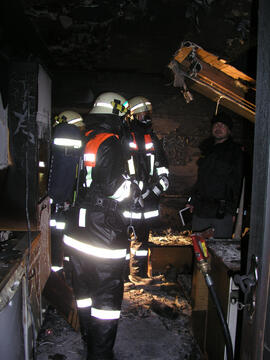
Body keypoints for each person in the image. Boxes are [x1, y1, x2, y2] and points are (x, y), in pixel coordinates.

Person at [62, 92, 134, 360]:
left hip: (76, 230)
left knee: (84, 292)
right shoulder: (111, 142)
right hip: (102, 233)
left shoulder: (84, 137)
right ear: (117, 113)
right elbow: (114, 188)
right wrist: (133, 189)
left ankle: (88, 340)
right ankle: (100, 355)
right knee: (105, 301)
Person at [122, 96, 169, 285]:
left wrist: (155, 190)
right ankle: (123, 275)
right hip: (127, 199)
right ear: (132, 115)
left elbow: (163, 168)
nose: (146, 116)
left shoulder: (152, 137)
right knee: (123, 238)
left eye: (147, 113)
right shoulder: (123, 137)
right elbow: (119, 167)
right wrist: (131, 191)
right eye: (143, 113)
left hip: (148, 201)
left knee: (143, 238)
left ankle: (139, 274)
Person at [186, 111, 244, 239]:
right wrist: (192, 201)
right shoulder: (207, 150)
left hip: (222, 212)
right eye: (216, 124)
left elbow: (237, 183)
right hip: (201, 210)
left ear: (229, 131)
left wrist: (234, 211)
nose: (218, 128)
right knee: (200, 251)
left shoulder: (235, 153)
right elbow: (201, 179)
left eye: (223, 125)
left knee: (219, 251)